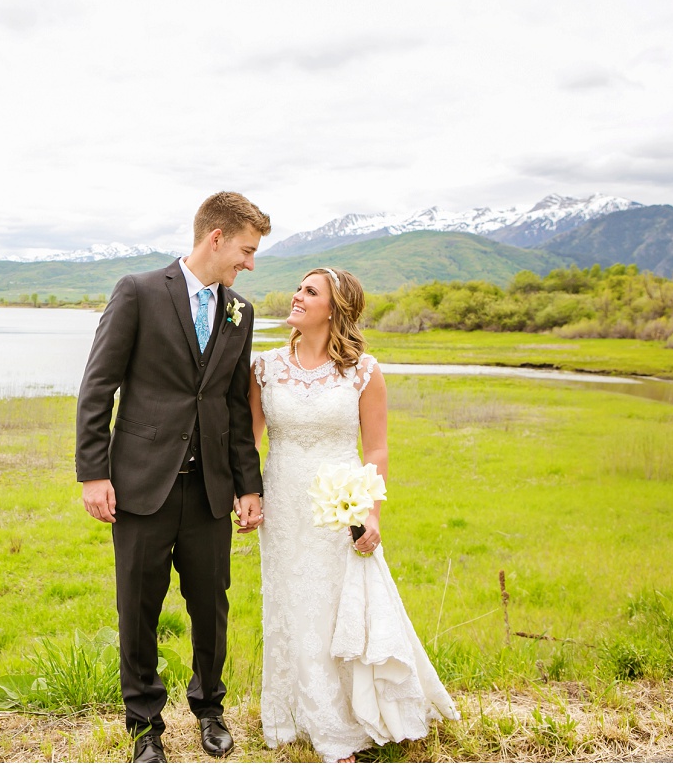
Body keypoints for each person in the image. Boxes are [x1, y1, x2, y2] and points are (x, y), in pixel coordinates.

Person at [76, 192, 270, 763]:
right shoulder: (137, 292)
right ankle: (143, 725)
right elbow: (97, 386)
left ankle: (210, 707)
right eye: (246, 250)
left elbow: (235, 406)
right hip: (141, 485)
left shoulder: (241, 311)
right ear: (216, 238)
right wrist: (94, 473)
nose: (250, 264)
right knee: (137, 605)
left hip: (210, 489)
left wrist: (248, 485)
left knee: (212, 605)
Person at [250, 267, 459, 763]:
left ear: (335, 308)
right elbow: (248, 441)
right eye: (299, 288)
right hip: (284, 503)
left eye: (310, 292)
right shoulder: (264, 367)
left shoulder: (364, 370)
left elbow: (377, 450)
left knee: (338, 606)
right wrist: (247, 494)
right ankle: (296, 715)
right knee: (291, 606)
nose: (297, 296)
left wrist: (372, 513)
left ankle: (349, 718)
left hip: (340, 505)